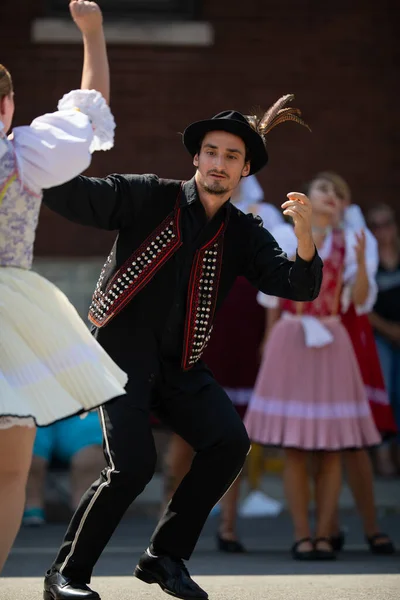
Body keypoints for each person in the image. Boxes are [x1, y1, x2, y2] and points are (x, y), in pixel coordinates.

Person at [41, 96, 323, 600]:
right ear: (196, 158)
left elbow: (296, 285)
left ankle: (164, 556)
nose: (218, 163)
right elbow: (76, 197)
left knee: (229, 442)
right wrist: (39, 159)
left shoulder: (245, 232)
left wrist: (305, 241)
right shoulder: (147, 195)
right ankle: (67, 575)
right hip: (119, 356)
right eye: (211, 152)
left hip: (183, 366)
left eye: (231, 156)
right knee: (131, 467)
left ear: (245, 168)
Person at [0, 0, 128, 573]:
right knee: (7, 470)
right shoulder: (23, 152)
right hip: (11, 309)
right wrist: (93, 35)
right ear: (7, 108)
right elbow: (89, 116)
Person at [244, 172, 381, 561]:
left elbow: (358, 301)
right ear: (307, 196)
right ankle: (303, 535)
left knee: (333, 448)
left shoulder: (351, 242)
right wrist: (269, 339)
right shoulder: (287, 238)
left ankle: (324, 535)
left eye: (341, 193)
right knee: (296, 448)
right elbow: (272, 296)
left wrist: (360, 264)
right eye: (325, 189)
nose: (332, 197)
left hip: (331, 339)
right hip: (292, 338)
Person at [162, 175, 284, 553]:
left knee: (233, 437)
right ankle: (166, 523)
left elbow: (276, 284)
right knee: (184, 434)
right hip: (200, 331)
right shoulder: (191, 212)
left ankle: (228, 526)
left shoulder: (264, 218)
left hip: (244, 339)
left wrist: (269, 337)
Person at [23, 413, 105, 527]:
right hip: (28, 407)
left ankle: (84, 508)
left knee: (91, 452)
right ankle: (29, 505)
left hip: (80, 408)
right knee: (25, 448)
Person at [368, 203, 400, 472]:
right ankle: (383, 454)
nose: (382, 231)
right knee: (385, 390)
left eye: (387, 224)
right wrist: (389, 330)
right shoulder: (368, 260)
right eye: (375, 226)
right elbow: (363, 305)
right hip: (378, 334)